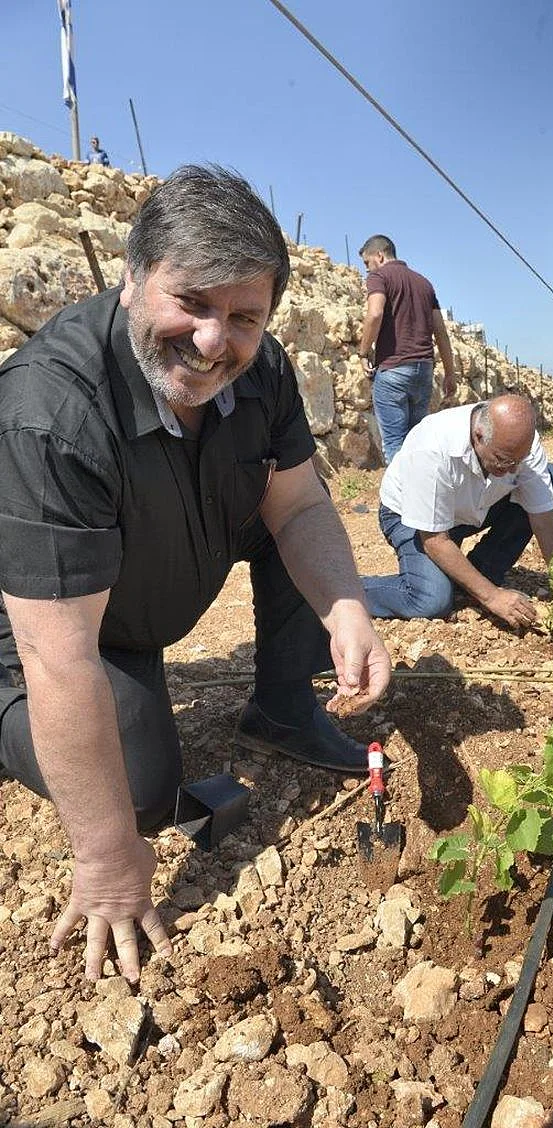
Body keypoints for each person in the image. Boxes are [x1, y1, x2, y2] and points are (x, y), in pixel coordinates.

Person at [0, 165, 391, 984]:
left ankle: (282, 710)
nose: (215, 341)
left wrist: (348, 610)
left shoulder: (264, 372)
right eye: (193, 303)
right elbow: (57, 654)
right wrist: (107, 858)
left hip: (146, 583)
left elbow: (301, 510)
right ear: (135, 279)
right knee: (138, 794)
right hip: (58, 628)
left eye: (243, 316)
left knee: (295, 539)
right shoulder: (54, 411)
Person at [360, 395, 553, 627]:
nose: (513, 468)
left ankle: (480, 573)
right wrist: (493, 596)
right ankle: (349, 592)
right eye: (503, 460)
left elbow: (545, 518)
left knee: (552, 479)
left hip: (470, 508)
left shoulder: (519, 447)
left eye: (518, 460)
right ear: (479, 436)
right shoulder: (432, 446)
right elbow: (434, 540)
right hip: (412, 518)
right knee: (430, 601)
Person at [357, 235, 457, 464]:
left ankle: (400, 498)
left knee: (394, 444)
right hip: (423, 371)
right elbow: (440, 331)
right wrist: (450, 373)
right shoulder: (424, 283)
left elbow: (375, 313)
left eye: (366, 263)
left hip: (393, 370)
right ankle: (421, 495)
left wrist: (363, 353)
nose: (366, 270)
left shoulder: (379, 276)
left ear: (379, 256)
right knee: (417, 443)